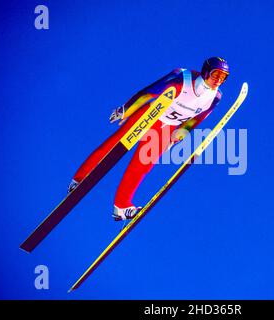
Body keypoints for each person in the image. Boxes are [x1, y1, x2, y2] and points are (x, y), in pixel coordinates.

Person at [68, 57, 230, 221]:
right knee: (114, 145)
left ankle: (121, 206)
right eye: (216, 74)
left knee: (142, 166)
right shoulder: (183, 77)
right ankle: (80, 179)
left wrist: (176, 138)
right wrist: (125, 110)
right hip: (150, 115)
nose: (218, 79)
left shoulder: (215, 97)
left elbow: (197, 119)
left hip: (166, 128)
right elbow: (149, 92)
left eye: (223, 77)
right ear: (206, 71)